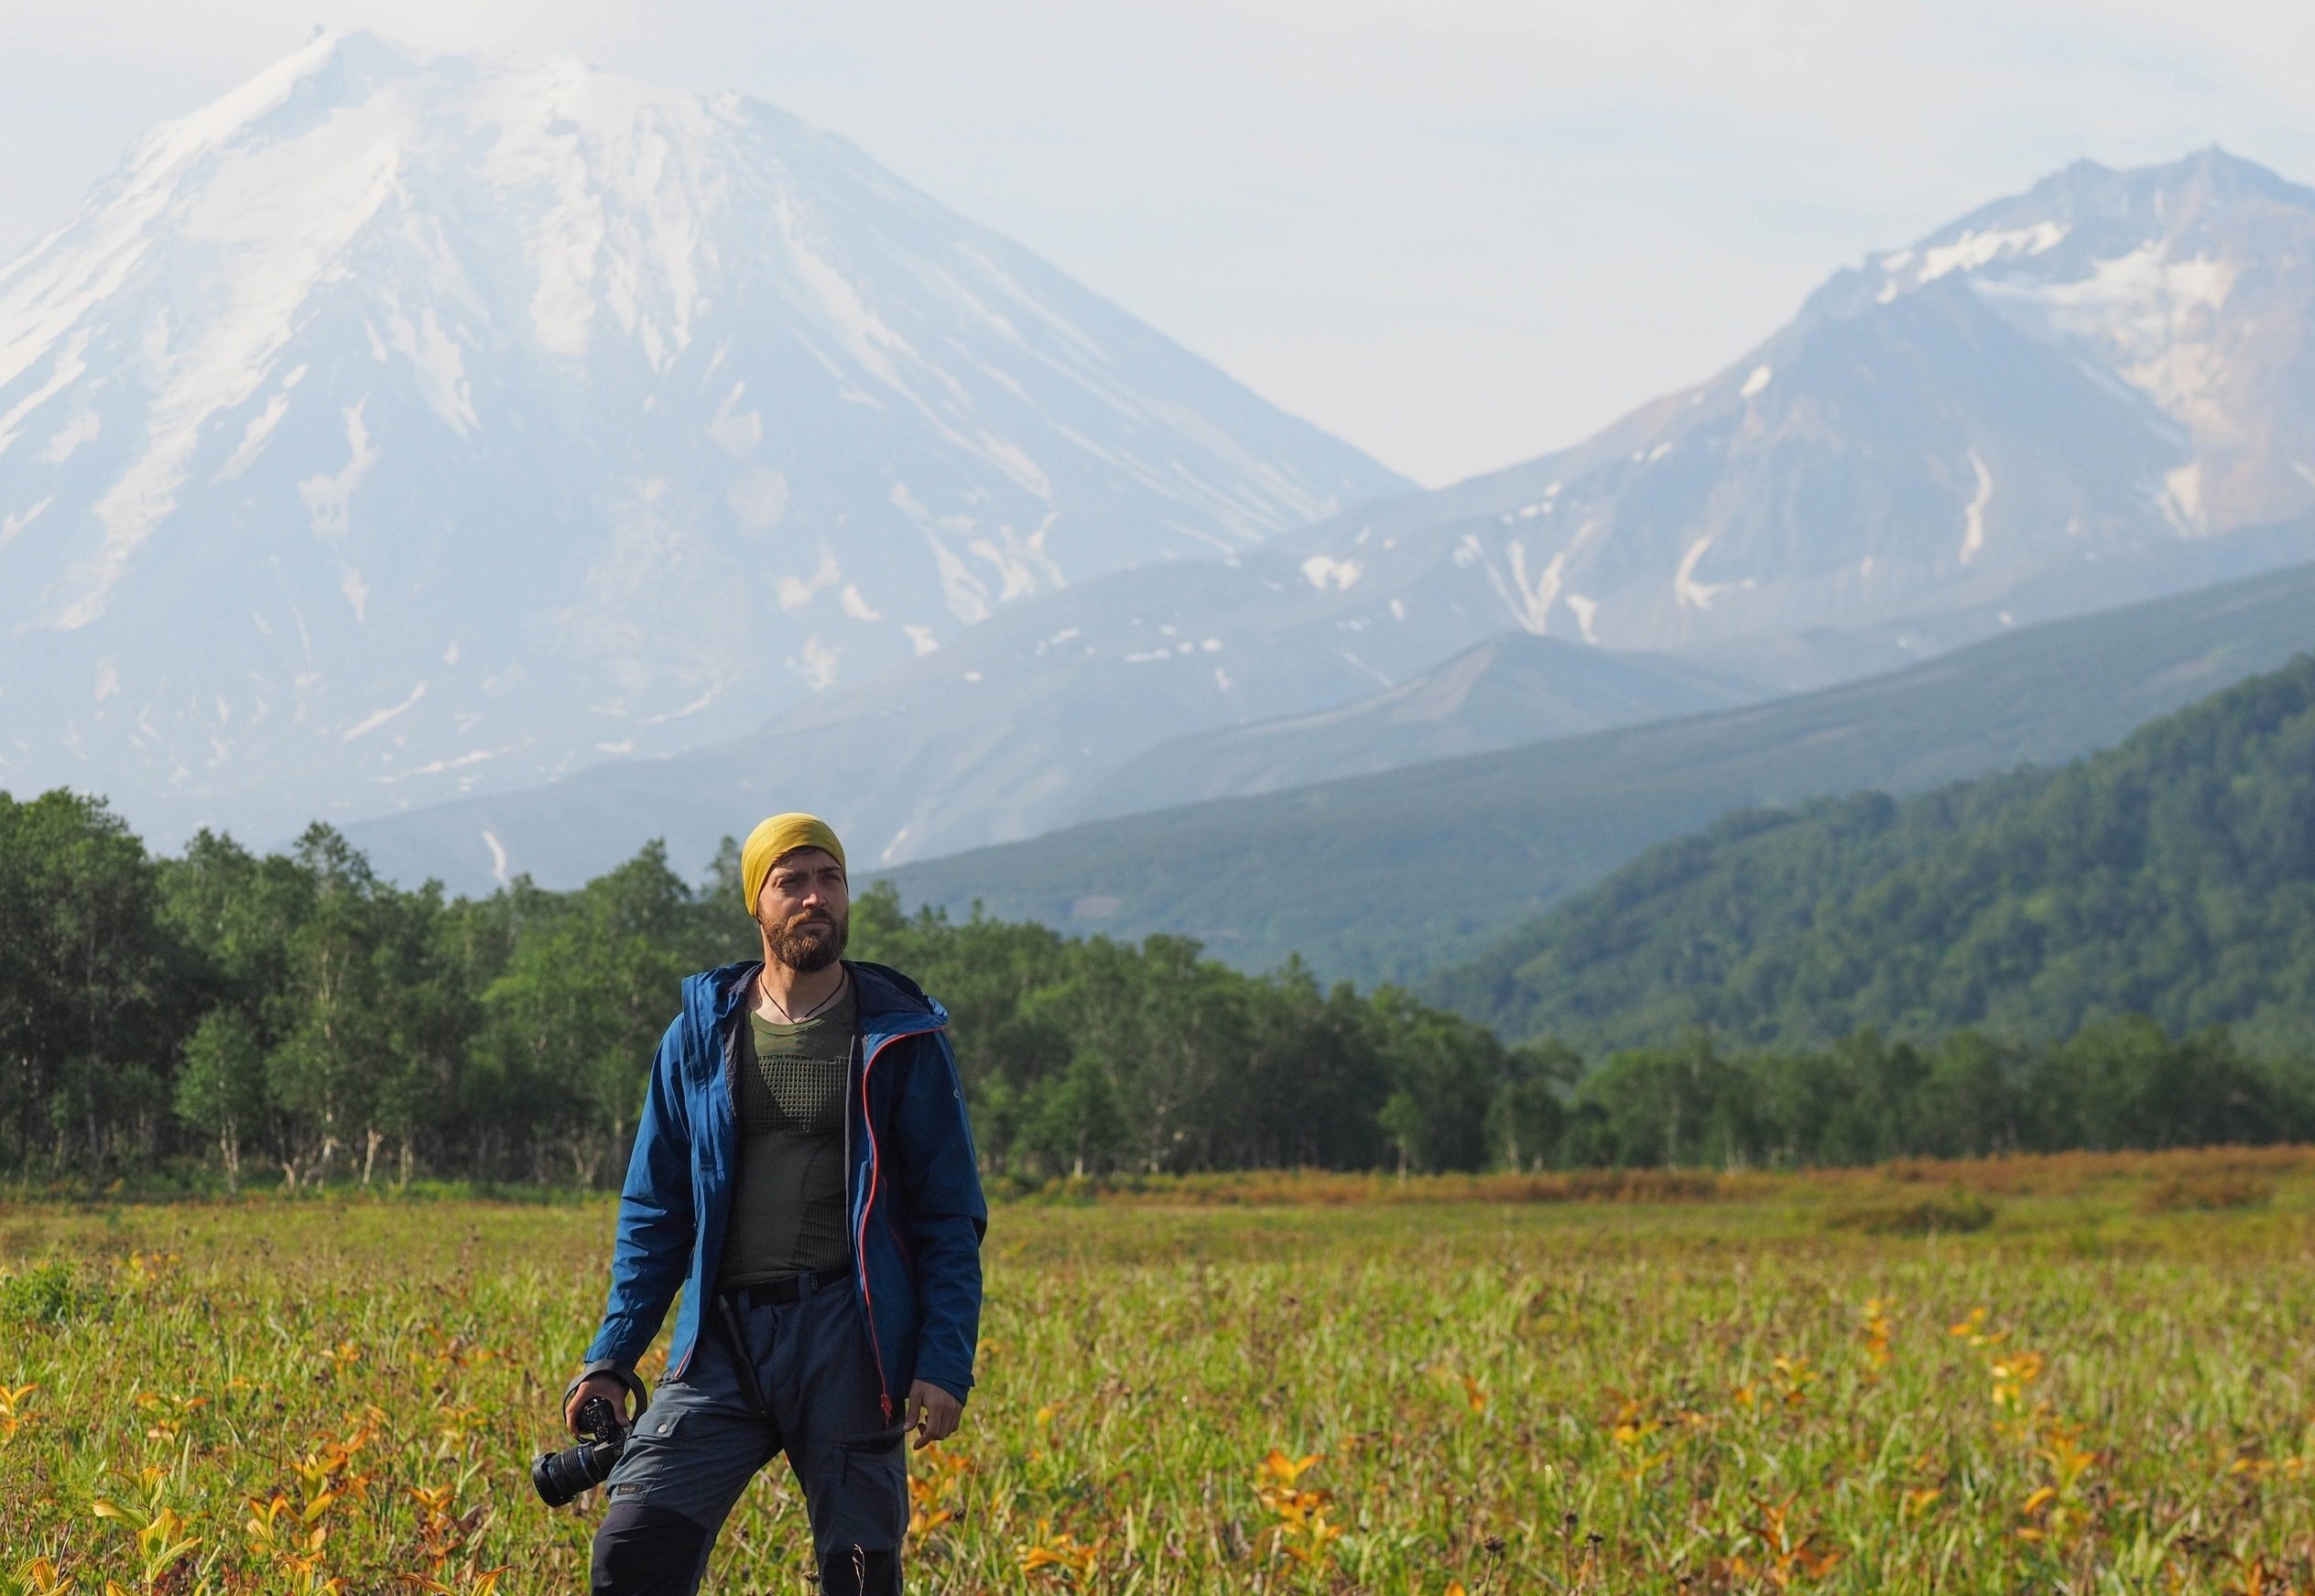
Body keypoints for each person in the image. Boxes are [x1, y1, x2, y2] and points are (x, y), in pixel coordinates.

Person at [564, 813, 986, 1595]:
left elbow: (948, 1216)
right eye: (791, 882)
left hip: (847, 1340)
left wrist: (943, 1361)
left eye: (829, 878)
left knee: (860, 1571)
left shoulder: (899, 1036)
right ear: (756, 902)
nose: (813, 898)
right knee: (634, 1548)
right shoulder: (699, 1036)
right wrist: (613, 1356)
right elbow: (656, 1210)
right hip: (722, 1341)